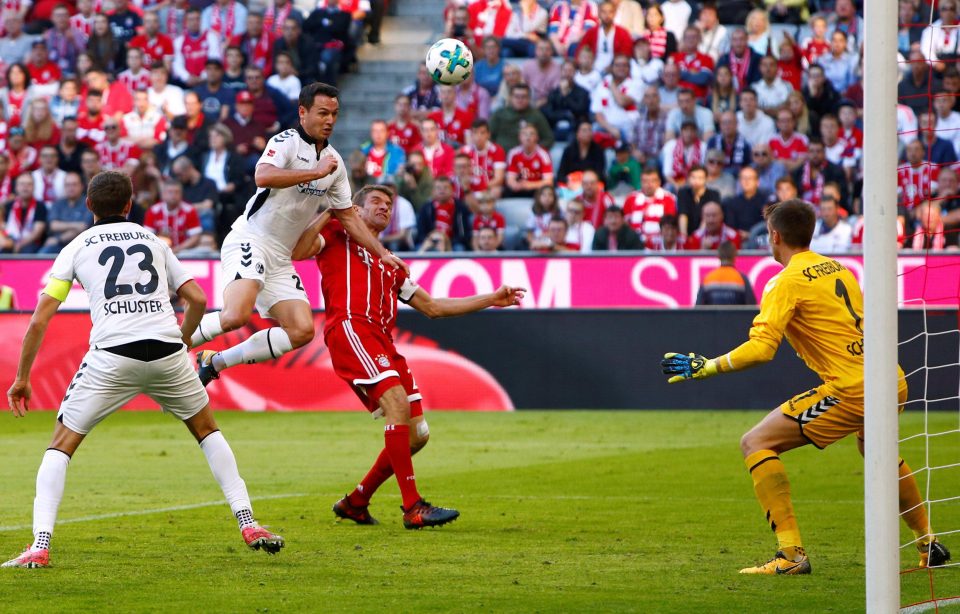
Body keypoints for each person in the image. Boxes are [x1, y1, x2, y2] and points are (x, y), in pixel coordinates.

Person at [2, 171, 284, 569]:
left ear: (88, 205)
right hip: (167, 350)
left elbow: (39, 320)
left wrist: (21, 379)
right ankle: (249, 522)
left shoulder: (77, 246)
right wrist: (183, 340)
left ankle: (40, 544)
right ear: (130, 205)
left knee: (60, 444)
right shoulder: (153, 240)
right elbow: (198, 299)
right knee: (207, 430)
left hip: (112, 355)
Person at [661, 198, 951, 574]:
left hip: (852, 389)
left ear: (775, 236)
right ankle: (929, 542)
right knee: (875, 448)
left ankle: (791, 555)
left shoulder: (785, 282)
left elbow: (762, 349)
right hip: (889, 377)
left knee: (756, 442)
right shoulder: (840, 268)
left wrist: (708, 366)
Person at [290, 185, 523, 528]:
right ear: (355, 207)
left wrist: (491, 298)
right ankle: (412, 507)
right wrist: (333, 210)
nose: (385, 208)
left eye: (389, 205)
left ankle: (357, 501)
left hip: (384, 342)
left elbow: (433, 307)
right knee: (397, 404)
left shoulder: (390, 262)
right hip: (352, 329)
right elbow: (297, 251)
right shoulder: (337, 234)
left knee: (417, 435)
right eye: (376, 202)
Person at [192, 83, 405, 385]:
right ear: (303, 113)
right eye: (322, 113)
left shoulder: (334, 162)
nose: (329, 120)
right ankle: (174, 343)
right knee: (235, 316)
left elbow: (347, 214)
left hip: (281, 254)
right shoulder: (286, 142)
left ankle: (215, 362)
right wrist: (316, 173)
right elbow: (262, 175)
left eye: (334, 114)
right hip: (251, 239)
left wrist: (382, 253)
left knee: (302, 330)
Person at [489, 83, 554, 153]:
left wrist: (534, 150)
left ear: (529, 98)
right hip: (501, 157)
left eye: (523, 97)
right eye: (517, 96)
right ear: (510, 97)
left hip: (526, 158)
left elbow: (548, 138)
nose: (520, 100)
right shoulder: (499, 114)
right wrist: (495, 152)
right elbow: (487, 136)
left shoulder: (536, 115)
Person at [622, 167, 677, 247]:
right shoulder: (630, 199)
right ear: (640, 182)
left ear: (659, 182)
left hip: (659, 244)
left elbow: (670, 225)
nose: (649, 184)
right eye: (645, 181)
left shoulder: (669, 199)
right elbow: (625, 224)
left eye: (653, 181)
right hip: (634, 243)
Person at [415, 175, 472, 251]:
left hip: (453, 243)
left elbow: (464, 234)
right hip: (430, 241)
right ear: (433, 191)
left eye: (445, 187)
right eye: (438, 188)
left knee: (460, 248)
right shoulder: (426, 208)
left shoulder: (460, 208)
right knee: (418, 248)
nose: (442, 190)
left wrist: (446, 241)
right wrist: (431, 240)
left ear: (452, 190)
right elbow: (421, 233)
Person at [39, 172, 90, 254]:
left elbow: (83, 227)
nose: (71, 188)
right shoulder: (58, 203)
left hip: (81, 246)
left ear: (81, 186)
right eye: (68, 185)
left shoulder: (88, 203)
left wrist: (58, 239)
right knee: (42, 254)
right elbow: (53, 225)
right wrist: (75, 225)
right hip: (57, 246)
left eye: (74, 184)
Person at [695, 241, 755, 305]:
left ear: (718, 256)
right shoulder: (742, 279)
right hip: (735, 315)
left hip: (713, 315)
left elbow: (698, 308)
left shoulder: (707, 278)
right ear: (734, 255)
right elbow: (751, 307)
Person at [505, 124, 554, 198]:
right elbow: (510, 178)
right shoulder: (513, 153)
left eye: (531, 134)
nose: (528, 137)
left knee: (546, 191)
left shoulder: (543, 154)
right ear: (519, 137)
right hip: (520, 187)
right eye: (524, 134)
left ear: (537, 137)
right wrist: (515, 185)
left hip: (537, 188)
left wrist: (530, 185)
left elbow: (549, 182)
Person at [3, 174, 47, 253]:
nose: (25, 187)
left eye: (29, 184)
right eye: (22, 184)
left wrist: (19, 245)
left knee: (27, 250)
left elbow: (37, 232)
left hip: (31, 244)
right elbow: (3, 226)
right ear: (16, 187)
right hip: (10, 241)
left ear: (34, 187)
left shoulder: (40, 206)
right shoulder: (8, 206)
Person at [676, 165, 720, 237]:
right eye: (693, 177)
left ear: (706, 179)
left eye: (700, 178)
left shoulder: (714, 195)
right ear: (688, 178)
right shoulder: (683, 193)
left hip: (706, 234)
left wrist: (697, 238)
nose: (696, 181)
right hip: (687, 233)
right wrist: (684, 237)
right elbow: (683, 215)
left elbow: (707, 219)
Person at [361, 119, 406, 184]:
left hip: (389, 188)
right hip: (367, 188)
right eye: (375, 131)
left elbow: (399, 175)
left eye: (381, 131)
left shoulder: (397, 152)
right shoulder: (363, 151)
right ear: (371, 133)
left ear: (387, 133)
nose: (378, 134)